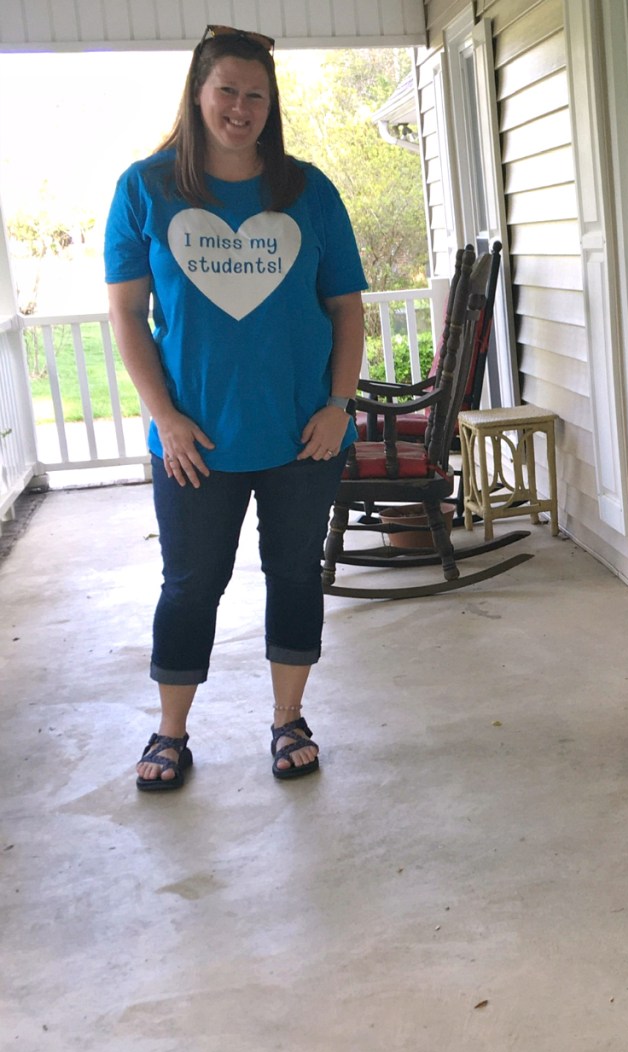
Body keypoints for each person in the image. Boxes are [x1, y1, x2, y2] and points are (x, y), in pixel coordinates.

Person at [105, 24, 367, 789]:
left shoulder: (308, 190)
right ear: (198, 93)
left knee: (292, 575)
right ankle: (171, 732)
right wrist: (164, 416)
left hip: (301, 437)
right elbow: (126, 314)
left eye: (256, 94)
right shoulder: (146, 188)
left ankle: (289, 720)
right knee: (190, 583)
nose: (241, 107)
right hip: (194, 443)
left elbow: (347, 309)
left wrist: (339, 405)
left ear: (270, 103)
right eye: (227, 90)